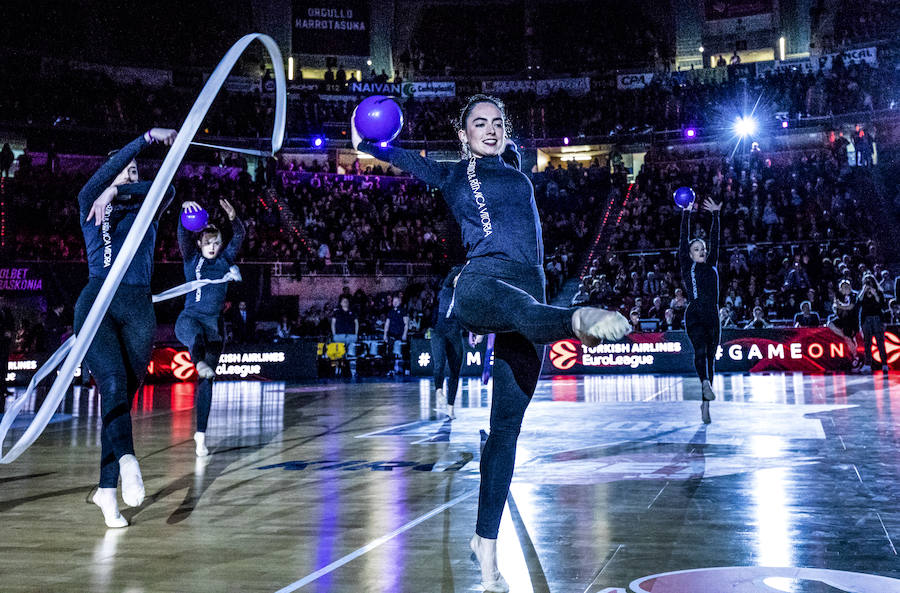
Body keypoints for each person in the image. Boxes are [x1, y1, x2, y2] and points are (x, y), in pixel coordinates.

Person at [353, 94, 629, 592]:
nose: (491, 129)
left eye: (498, 122)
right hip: (480, 284)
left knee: (505, 431)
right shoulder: (455, 174)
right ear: (463, 136)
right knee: (528, 313)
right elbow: (410, 159)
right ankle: (579, 320)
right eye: (479, 123)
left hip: (531, 288)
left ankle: (486, 548)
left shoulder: (520, 176)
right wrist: (371, 143)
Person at [75, 128, 178, 527]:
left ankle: (105, 489)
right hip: (97, 302)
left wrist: (119, 192)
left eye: (135, 172)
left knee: (120, 402)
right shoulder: (89, 203)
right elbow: (94, 188)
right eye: (122, 172)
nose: (130, 176)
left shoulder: (147, 206)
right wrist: (146, 137)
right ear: (108, 173)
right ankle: (129, 463)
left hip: (138, 306)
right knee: (113, 387)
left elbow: (166, 187)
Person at [175, 198, 244, 456]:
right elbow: (183, 233)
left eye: (216, 243)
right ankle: (197, 360)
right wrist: (185, 211)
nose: (213, 247)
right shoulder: (192, 260)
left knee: (207, 381)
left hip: (213, 329)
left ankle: (200, 436)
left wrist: (234, 217)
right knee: (196, 339)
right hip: (189, 321)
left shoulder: (225, 261)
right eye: (208, 243)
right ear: (199, 244)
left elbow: (239, 234)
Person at [679, 196, 722, 424]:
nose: (702, 251)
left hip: (713, 315)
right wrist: (686, 213)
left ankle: (705, 403)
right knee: (700, 352)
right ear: (690, 254)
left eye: (703, 248)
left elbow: (715, 239)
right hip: (695, 313)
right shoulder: (688, 266)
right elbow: (682, 239)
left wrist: (715, 214)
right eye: (697, 249)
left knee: (711, 359)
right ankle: (704, 382)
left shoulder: (712, 263)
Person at [431, 266, 467, 419]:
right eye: (457, 278)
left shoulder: (464, 296)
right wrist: (463, 267)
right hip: (439, 330)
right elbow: (451, 275)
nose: (458, 280)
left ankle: (451, 406)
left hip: (455, 332)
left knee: (455, 370)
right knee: (439, 364)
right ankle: (438, 389)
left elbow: (470, 317)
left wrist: (475, 333)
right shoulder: (446, 287)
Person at [858, 273, 888, 372]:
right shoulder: (862, 292)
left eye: (870, 280)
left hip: (877, 318)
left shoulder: (879, 292)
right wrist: (864, 290)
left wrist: (875, 294)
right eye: (866, 281)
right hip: (866, 319)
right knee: (867, 343)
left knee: (880, 342)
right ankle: (868, 364)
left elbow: (881, 304)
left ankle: (884, 364)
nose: (868, 283)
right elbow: (859, 302)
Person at [827, 279, 859, 358]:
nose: (845, 288)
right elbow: (835, 307)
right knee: (830, 324)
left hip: (852, 319)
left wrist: (840, 306)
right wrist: (839, 306)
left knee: (849, 338)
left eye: (847, 286)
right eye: (843, 287)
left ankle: (855, 355)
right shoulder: (838, 295)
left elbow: (851, 307)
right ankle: (845, 337)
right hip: (842, 318)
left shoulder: (854, 295)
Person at [331, 295, 359, 377]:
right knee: (338, 354)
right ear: (340, 303)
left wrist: (356, 334)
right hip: (339, 336)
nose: (345, 303)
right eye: (344, 301)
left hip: (350, 336)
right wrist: (334, 334)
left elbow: (356, 323)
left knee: (352, 354)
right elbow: (333, 323)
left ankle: (353, 371)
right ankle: (337, 370)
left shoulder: (352, 312)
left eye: (347, 301)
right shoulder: (337, 312)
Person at [384, 294, 409, 375]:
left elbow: (406, 323)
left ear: (400, 302)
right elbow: (387, 324)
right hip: (391, 334)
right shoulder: (390, 312)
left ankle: (404, 369)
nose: (395, 303)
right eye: (393, 301)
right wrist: (385, 334)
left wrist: (405, 334)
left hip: (400, 334)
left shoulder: (403, 311)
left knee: (403, 351)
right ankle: (390, 369)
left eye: (396, 301)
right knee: (390, 352)